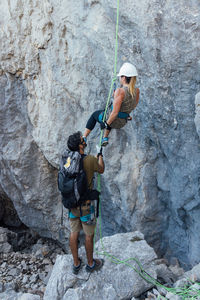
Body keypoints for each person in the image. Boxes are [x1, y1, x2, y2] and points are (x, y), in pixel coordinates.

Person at [67, 131, 105, 274]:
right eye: (83, 139)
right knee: (89, 235)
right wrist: (100, 157)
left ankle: (76, 263)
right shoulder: (89, 160)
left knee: (74, 232)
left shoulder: (67, 159)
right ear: (80, 146)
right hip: (86, 206)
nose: (85, 139)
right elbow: (101, 169)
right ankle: (90, 263)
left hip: (72, 204)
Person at [83, 62, 140, 146]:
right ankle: (105, 137)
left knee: (95, 115)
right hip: (123, 121)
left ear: (124, 77)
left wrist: (105, 124)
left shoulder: (120, 91)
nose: (120, 78)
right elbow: (133, 105)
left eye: (120, 76)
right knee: (108, 113)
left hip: (115, 120)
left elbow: (115, 113)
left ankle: (84, 136)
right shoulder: (137, 90)